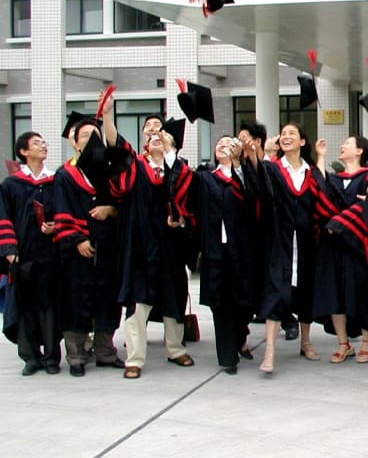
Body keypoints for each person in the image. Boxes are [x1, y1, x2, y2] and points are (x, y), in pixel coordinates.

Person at [109, 113, 195, 380]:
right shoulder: (133, 165)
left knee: (173, 296)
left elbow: (187, 202)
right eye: (149, 129)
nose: (154, 132)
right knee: (138, 302)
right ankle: (134, 358)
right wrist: (107, 112)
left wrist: (180, 218)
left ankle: (175, 349)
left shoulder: (178, 168)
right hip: (140, 245)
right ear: (143, 137)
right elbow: (115, 144)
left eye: (160, 129)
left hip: (169, 245)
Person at [243, 122, 326, 373]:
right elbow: (258, 179)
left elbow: (322, 194)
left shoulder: (310, 172)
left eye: (293, 134)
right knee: (275, 291)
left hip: (306, 241)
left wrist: (321, 157)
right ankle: (269, 352)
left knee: (306, 291)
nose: (287, 137)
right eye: (284, 134)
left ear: (302, 142)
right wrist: (256, 153)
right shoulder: (273, 168)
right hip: (279, 240)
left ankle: (306, 341)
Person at [0, 131, 61, 376]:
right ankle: (30, 357)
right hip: (22, 256)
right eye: (37, 143)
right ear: (24, 151)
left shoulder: (54, 181)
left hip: (49, 254)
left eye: (44, 143)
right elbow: (1, 218)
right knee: (25, 306)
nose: (43, 146)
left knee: (50, 306)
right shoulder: (12, 185)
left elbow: (64, 211)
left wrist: (55, 224)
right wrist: (9, 249)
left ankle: (51, 357)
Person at [53, 117, 125, 377]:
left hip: (107, 247)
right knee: (76, 300)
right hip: (77, 252)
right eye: (85, 135)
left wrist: (111, 209)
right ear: (74, 143)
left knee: (107, 298)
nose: (91, 139)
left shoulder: (109, 171)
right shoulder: (65, 175)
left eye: (96, 135)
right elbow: (61, 209)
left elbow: (125, 203)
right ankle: (77, 355)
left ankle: (105, 351)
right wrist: (77, 239)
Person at [191, 133, 264, 374]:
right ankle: (227, 357)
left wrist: (237, 165)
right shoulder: (204, 178)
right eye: (220, 144)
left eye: (230, 144)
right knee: (220, 304)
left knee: (245, 302)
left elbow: (256, 198)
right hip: (215, 251)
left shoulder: (245, 176)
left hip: (243, 251)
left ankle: (239, 338)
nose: (224, 146)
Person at [313, 135, 368, 364]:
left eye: (347, 144)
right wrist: (320, 157)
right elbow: (319, 188)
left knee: (358, 291)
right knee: (333, 292)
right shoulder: (335, 179)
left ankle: (367, 340)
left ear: (360, 151)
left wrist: (340, 223)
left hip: (355, 244)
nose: (342, 146)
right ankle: (343, 343)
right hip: (331, 244)